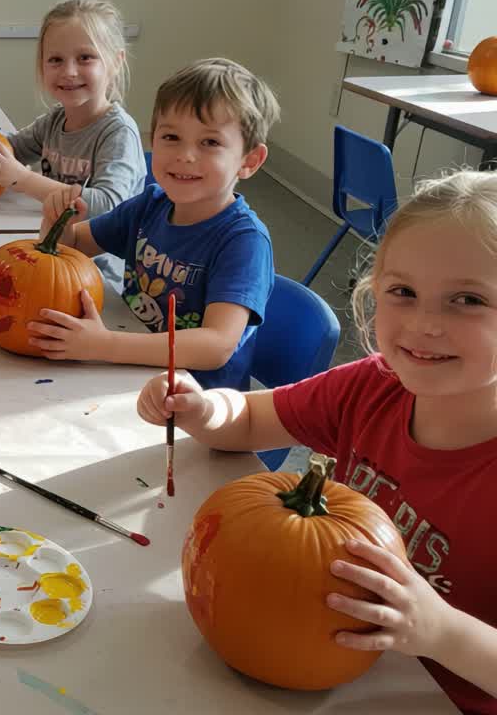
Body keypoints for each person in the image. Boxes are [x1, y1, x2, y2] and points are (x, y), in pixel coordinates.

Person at [136, 169, 497, 714]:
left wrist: (440, 630)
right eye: (403, 292)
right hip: (319, 665)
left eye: (467, 299)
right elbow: (253, 419)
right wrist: (204, 408)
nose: (424, 324)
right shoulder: (373, 386)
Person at [31, 57, 279, 390]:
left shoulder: (244, 241)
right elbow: (72, 249)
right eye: (171, 137)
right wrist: (58, 221)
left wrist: (104, 346)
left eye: (210, 142)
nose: (185, 155)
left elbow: (216, 346)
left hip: (194, 403)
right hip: (131, 371)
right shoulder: (150, 205)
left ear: (249, 161)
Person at [0, 0, 145, 291]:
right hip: (51, 260)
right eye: (56, 59)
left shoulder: (118, 133)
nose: (69, 71)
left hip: (99, 282)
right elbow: (10, 151)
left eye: (85, 57)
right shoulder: (55, 121)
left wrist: (24, 179)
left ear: (115, 62)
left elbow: (108, 205)